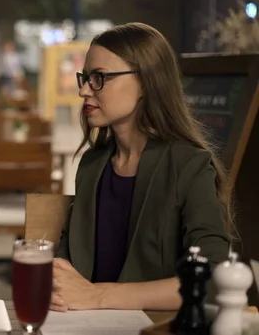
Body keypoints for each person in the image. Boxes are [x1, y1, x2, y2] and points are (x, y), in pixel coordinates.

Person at [51, 23, 232, 312]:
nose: (84, 90)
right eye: (85, 78)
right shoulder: (92, 164)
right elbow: (67, 259)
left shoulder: (189, 166)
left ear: (147, 83)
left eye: (99, 78)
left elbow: (213, 276)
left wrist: (99, 296)